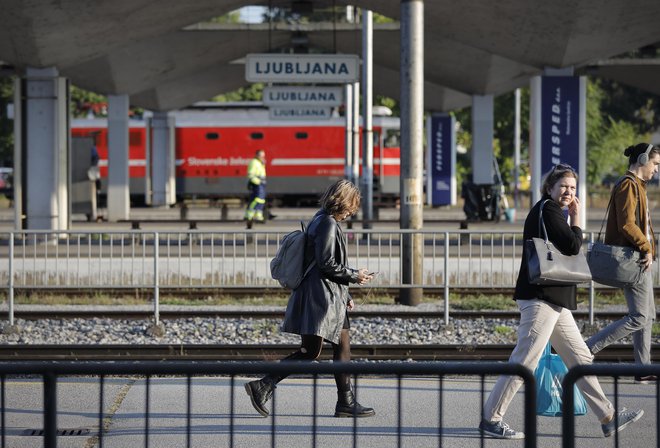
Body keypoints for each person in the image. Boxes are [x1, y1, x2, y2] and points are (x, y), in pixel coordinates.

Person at [479, 163, 644, 440]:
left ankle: (608, 417)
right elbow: (571, 245)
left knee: (579, 358)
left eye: (572, 188)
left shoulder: (552, 211)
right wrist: (577, 218)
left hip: (555, 299)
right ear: (550, 188)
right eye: (563, 186)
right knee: (524, 360)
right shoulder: (549, 209)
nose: (568, 192)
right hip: (541, 298)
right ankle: (491, 419)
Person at [245, 179, 376, 418]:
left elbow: (325, 265)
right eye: (350, 207)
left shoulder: (322, 219)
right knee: (310, 351)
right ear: (342, 202)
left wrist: (345, 293)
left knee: (339, 345)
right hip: (321, 299)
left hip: (327, 296)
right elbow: (327, 264)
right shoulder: (327, 223)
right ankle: (263, 385)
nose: (350, 213)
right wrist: (354, 276)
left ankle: (345, 402)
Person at [587, 143, 659, 383]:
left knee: (647, 316)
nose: (656, 170)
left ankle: (643, 370)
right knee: (639, 316)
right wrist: (646, 247)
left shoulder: (638, 185)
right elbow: (627, 225)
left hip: (641, 258)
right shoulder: (628, 185)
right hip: (633, 258)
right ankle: (587, 349)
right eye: (655, 164)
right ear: (642, 159)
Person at [244, 149, 267, 224]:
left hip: (260, 184)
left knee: (260, 199)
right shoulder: (254, 162)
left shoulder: (259, 162)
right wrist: (258, 182)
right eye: (261, 155)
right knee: (257, 199)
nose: (263, 157)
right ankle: (251, 215)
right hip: (257, 184)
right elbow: (251, 175)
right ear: (257, 155)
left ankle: (257, 215)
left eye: (263, 156)